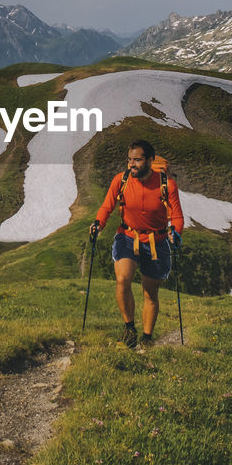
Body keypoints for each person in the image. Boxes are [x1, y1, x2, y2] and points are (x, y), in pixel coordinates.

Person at [90, 139, 184, 350]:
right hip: (127, 236)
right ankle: (129, 328)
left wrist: (176, 233)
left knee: (150, 292)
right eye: (129, 160)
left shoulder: (167, 185)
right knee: (123, 279)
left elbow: (177, 217)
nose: (131, 164)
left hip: (156, 242)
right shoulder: (120, 180)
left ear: (150, 160)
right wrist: (98, 223)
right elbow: (107, 205)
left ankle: (147, 338)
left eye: (137, 160)